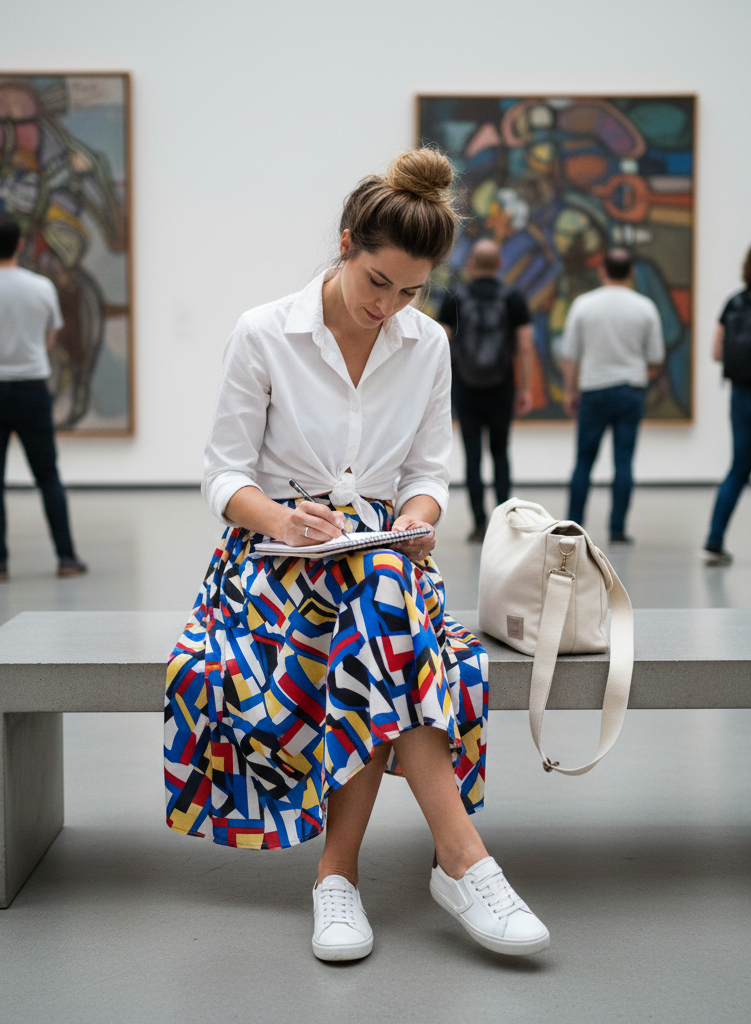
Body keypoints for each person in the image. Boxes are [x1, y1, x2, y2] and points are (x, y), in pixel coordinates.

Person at [164, 150, 550, 962]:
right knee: (380, 611)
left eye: (411, 292)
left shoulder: (428, 343)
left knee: (373, 595)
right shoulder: (264, 332)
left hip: (382, 558)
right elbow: (223, 473)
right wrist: (282, 518)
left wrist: (414, 518)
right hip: (271, 558)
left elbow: (428, 474)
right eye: (378, 281)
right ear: (346, 244)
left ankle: (339, 878)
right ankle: (462, 860)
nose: (389, 306)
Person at [0, 213, 87, 582]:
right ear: (20, 244)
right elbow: (51, 339)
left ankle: (1, 564)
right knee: (48, 476)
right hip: (32, 388)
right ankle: (66, 558)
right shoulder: (41, 287)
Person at [561, 247, 665, 543]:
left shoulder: (583, 305)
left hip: (593, 390)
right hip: (630, 390)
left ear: (602, 270)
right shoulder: (645, 307)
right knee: (624, 462)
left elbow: (570, 356)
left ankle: (573, 526)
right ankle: (617, 529)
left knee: (584, 461)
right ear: (631, 272)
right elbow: (655, 357)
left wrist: (570, 391)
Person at [438, 240, 535, 541]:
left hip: (465, 387)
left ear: (471, 264)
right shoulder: (513, 297)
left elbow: (439, 341)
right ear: (499, 264)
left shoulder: (456, 296)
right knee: (500, 453)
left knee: (473, 457)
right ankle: (505, 522)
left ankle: (479, 524)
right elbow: (525, 346)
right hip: (501, 387)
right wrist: (526, 388)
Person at [703, 238, 751, 565]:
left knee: (738, 469)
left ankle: (714, 541)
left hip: (741, 394)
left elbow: (717, 352)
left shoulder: (734, 302)